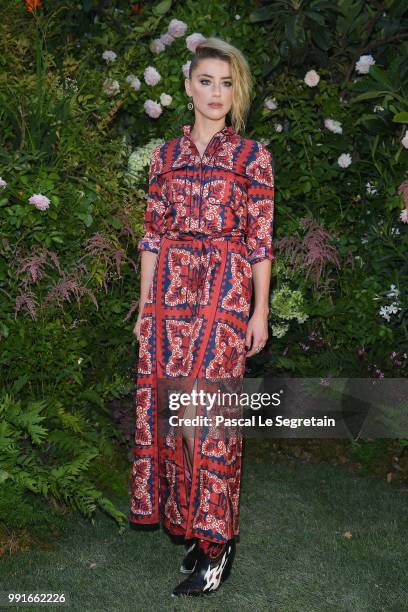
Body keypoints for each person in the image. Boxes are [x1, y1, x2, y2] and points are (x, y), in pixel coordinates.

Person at [130, 36, 275, 597]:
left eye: (227, 82)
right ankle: (195, 526)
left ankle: (217, 542)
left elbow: (261, 241)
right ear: (188, 87)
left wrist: (260, 312)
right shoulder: (163, 158)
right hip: (169, 291)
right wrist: (144, 309)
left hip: (225, 288)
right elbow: (151, 236)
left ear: (236, 91)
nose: (217, 92)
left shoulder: (253, 158)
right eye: (207, 80)